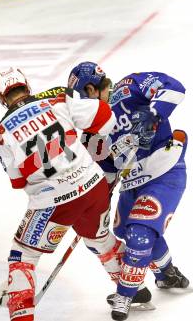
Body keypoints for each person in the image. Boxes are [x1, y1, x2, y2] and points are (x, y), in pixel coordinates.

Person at [0, 67, 126, 321]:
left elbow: (18, 181)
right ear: (28, 88)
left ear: (2, 99)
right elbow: (105, 117)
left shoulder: (0, 134)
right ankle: (132, 289)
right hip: (92, 185)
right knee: (99, 239)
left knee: (23, 256)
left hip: (53, 201)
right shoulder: (56, 99)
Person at [68, 62, 189, 321]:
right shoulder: (90, 131)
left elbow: (175, 87)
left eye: (82, 97)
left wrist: (154, 113)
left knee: (139, 234)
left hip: (164, 170)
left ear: (91, 88)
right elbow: (107, 169)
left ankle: (127, 294)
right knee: (123, 230)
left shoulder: (129, 86)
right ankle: (167, 273)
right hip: (132, 182)